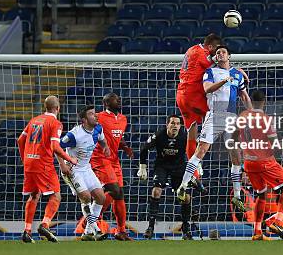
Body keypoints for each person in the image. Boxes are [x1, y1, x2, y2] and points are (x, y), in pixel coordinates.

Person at [176, 45, 252, 213]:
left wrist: (252, 112)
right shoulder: (210, 72)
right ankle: (183, 186)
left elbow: (244, 95)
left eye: (223, 52)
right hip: (215, 115)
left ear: (229, 56)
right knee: (201, 150)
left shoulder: (237, 74)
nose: (220, 54)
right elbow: (207, 89)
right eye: (217, 53)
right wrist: (225, 80)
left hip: (231, 116)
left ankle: (237, 196)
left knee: (236, 155)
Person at [17, 95, 78, 243]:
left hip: (29, 163)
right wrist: (70, 160)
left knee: (34, 195)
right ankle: (45, 224)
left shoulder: (34, 120)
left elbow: (20, 140)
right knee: (56, 196)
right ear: (57, 108)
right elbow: (55, 147)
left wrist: (24, 159)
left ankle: (27, 231)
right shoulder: (55, 123)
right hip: (42, 164)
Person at [236, 90, 283, 241]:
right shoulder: (265, 119)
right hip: (265, 162)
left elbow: (235, 138)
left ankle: (257, 232)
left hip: (248, 163)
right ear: (264, 102)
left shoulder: (242, 116)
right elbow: (275, 145)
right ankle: (278, 222)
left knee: (261, 194)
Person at [60, 105, 111, 241]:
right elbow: (56, 147)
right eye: (91, 114)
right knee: (86, 197)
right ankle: (96, 230)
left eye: (95, 113)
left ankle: (87, 232)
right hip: (72, 170)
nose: (96, 116)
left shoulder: (98, 129)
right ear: (84, 119)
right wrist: (64, 163)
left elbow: (102, 139)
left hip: (86, 168)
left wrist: (105, 147)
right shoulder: (74, 134)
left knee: (101, 197)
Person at [138, 115, 193, 240]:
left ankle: (186, 228)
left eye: (178, 124)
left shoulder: (185, 136)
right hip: (162, 166)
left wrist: (197, 165)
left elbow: (194, 149)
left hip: (179, 167)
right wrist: (142, 167)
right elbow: (144, 149)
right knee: (156, 191)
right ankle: (150, 227)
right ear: (167, 124)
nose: (175, 126)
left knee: (185, 197)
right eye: (172, 123)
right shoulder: (159, 135)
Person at [176, 33, 222, 176]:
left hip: (182, 95)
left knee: (191, 132)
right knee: (220, 114)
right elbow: (219, 62)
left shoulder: (192, 49)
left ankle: (193, 173)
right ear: (210, 47)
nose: (217, 53)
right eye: (216, 50)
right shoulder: (200, 54)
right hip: (192, 95)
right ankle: (204, 146)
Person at [90, 93, 134, 241]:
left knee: (119, 194)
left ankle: (121, 231)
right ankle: (92, 220)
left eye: (119, 98)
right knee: (113, 189)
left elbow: (117, 138)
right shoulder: (98, 117)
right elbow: (85, 130)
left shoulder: (123, 119)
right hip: (100, 158)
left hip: (114, 159)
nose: (119, 99)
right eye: (115, 98)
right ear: (107, 103)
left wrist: (125, 147)